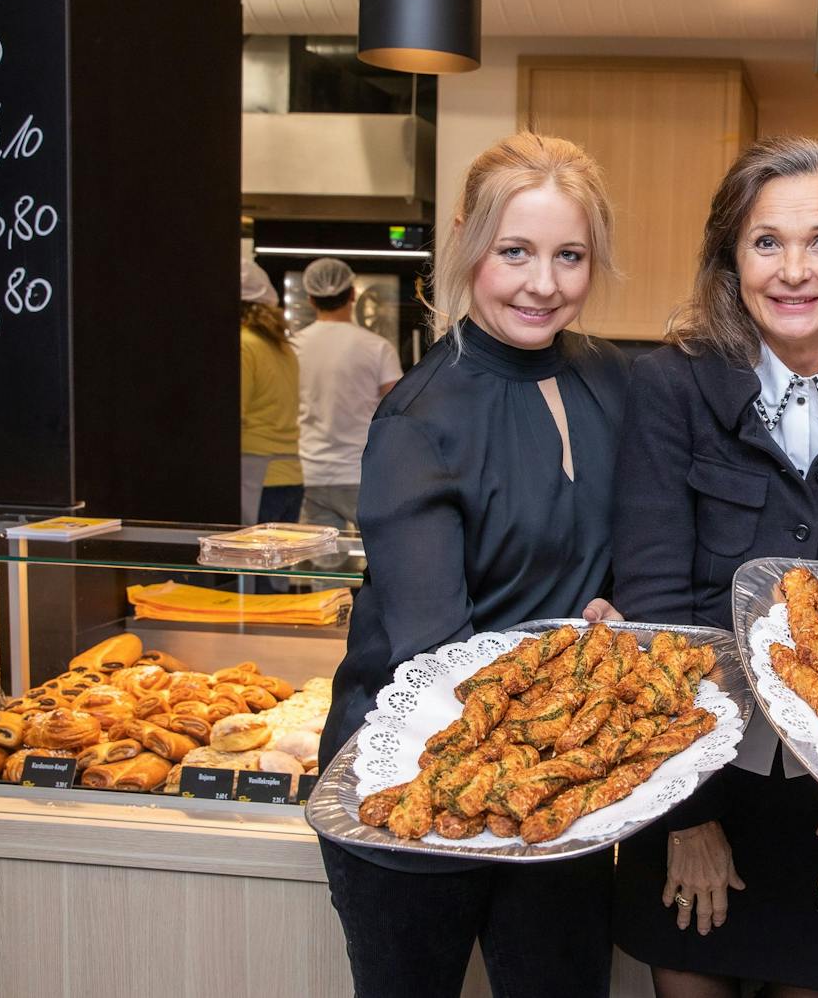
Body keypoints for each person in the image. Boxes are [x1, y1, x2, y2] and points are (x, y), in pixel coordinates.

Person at [612, 136, 818, 998]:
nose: (793, 271)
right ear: (730, 259)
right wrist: (687, 815)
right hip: (694, 767)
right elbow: (652, 605)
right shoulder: (669, 388)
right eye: (767, 242)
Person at [317, 132, 628, 998]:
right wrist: (585, 652)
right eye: (515, 252)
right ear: (465, 243)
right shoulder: (418, 419)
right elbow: (436, 651)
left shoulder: (611, 378)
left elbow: (626, 545)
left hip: (552, 781)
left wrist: (619, 606)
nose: (545, 284)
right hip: (413, 784)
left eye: (570, 256)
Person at [292, 257, 402, 532]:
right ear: (353, 294)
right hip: (361, 472)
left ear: (310, 299)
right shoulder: (377, 347)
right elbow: (398, 409)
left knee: (320, 565)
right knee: (376, 558)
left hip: (308, 471)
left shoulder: (291, 347)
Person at [239, 256, 302, 525]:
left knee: (246, 567)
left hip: (256, 475)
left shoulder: (243, 345)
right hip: (291, 475)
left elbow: (234, 417)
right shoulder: (282, 347)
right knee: (280, 567)